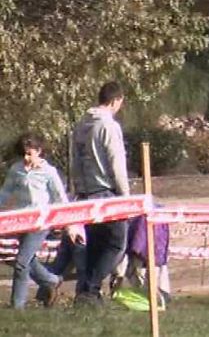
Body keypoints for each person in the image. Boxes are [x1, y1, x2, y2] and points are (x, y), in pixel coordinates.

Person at [71, 81, 130, 306]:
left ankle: (87, 294)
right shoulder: (109, 126)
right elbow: (117, 164)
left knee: (95, 247)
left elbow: (75, 161)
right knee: (116, 244)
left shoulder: (81, 125)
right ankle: (90, 290)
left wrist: (78, 190)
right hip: (106, 193)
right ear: (116, 100)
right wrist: (125, 197)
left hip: (85, 193)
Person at [0, 133, 76, 309]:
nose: (26, 158)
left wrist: (69, 223)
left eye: (30, 153)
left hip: (41, 223)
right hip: (21, 221)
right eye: (24, 154)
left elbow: (60, 197)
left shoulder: (49, 172)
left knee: (21, 262)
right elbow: (5, 191)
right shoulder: (16, 169)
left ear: (39, 151)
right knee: (28, 260)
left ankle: (17, 305)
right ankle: (52, 280)